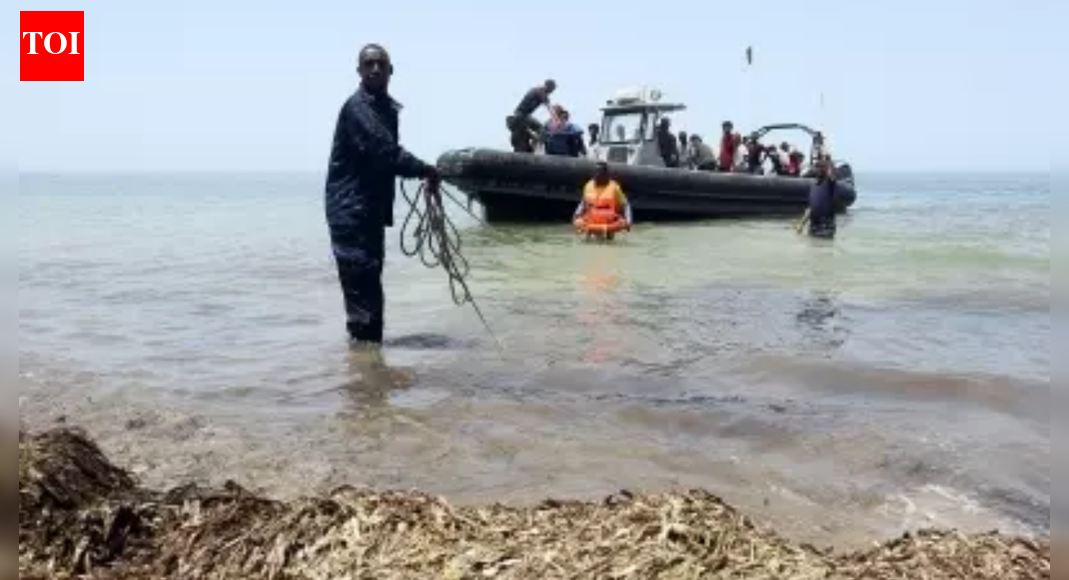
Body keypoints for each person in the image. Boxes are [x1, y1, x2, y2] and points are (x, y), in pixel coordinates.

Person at [324, 43, 439, 347]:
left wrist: (421, 171)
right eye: (369, 64)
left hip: (370, 212)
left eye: (381, 64)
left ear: (391, 70)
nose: (375, 68)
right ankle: (366, 376)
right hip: (349, 211)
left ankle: (366, 368)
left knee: (370, 288)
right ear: (359, 71)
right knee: (364, 296)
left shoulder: (386, 108)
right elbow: (384, 152)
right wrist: (425, 169)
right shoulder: (358, 109)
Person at [574, 161, 632, 240]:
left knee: (609, 243)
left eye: (600, 173)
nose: (597, 175)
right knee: (588, 241)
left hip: (609, 224)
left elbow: (625, 205)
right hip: (591, 222)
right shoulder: (588, 185)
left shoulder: (614, 187)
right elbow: (583, 203)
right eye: (596, 173)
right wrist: (577, 215)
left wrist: (628, 220)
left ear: (606, 175)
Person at [506, 79, 557, 153]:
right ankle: (536, 143)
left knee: (536, 131)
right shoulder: (541, 92)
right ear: (549, 87)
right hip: (522, 116)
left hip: (523, 115)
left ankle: (535, 142)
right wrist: (556, 120)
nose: (552, 92)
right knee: (541, 129)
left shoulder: (536, 90)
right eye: (552, 89)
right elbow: (549, 108)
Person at [796, 157, 839, 239]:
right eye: (817, 167)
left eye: (821, 168)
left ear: (826, 170)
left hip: (826, 225)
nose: (818, 170)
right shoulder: (813, 186)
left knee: (824, 249)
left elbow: (832, 176)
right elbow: (810, 208)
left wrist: (828, 163)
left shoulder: (830, 183)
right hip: (813, 226)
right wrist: (801, 225)